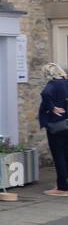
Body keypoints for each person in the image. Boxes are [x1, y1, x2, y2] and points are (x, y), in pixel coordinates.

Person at [39, 64, 68, 197]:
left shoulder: (53, 84)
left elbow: (45, 93)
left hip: (57, 126)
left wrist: (52, 108)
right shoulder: (66, 83)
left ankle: (62, 187)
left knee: (59, 155)